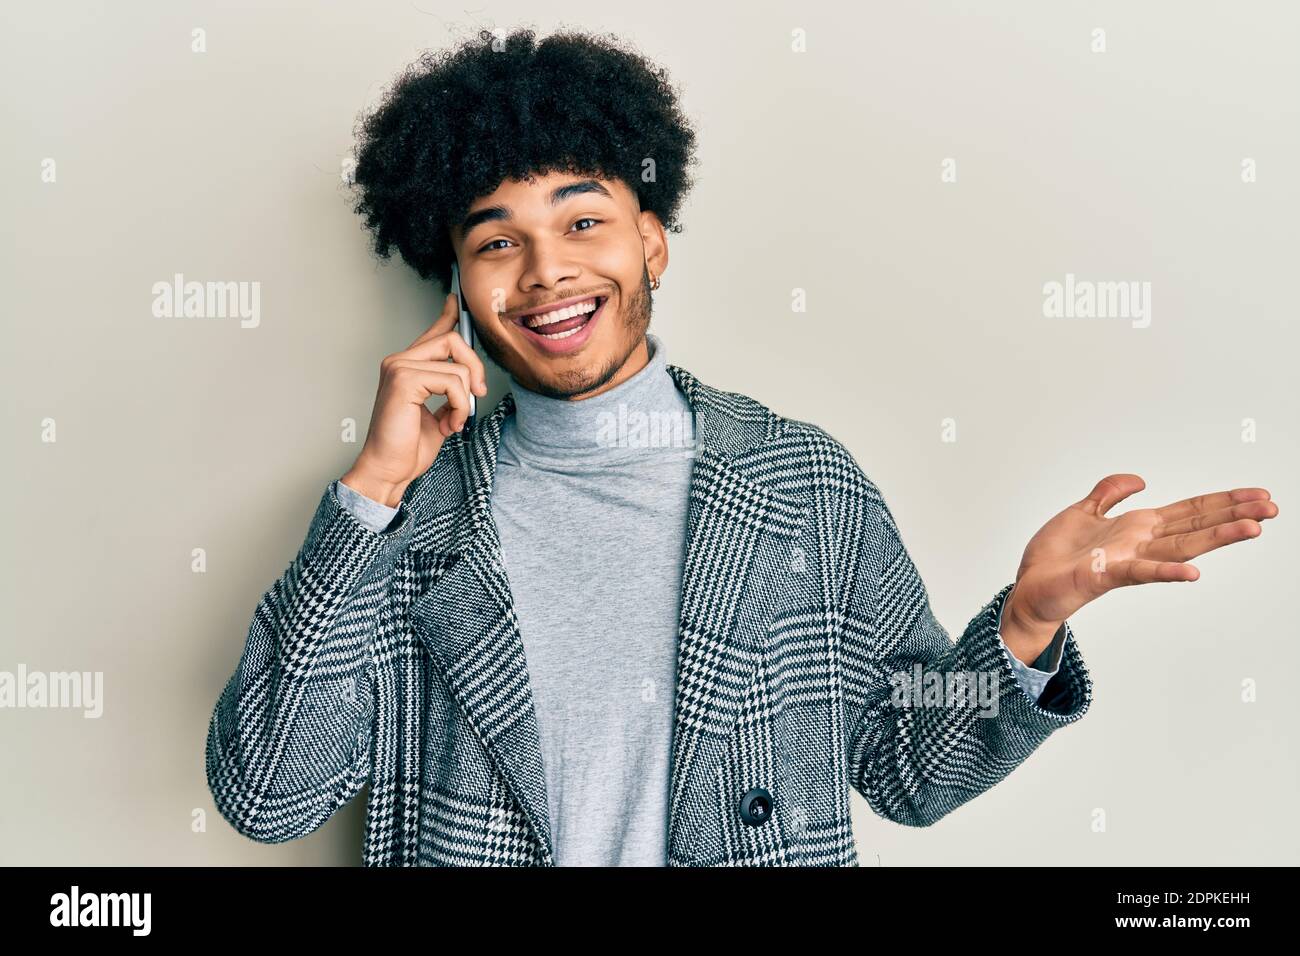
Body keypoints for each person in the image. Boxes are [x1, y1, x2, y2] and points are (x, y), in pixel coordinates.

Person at [204, 27, 1278, 867]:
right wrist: (374, 486)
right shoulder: (410, 515)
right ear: (457, 285)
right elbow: (268, 795)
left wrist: (1024, 625)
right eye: (497, 241)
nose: (544, 273)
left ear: (652, 238)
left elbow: (908, 769)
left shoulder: (799, 481)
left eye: (583, 222)